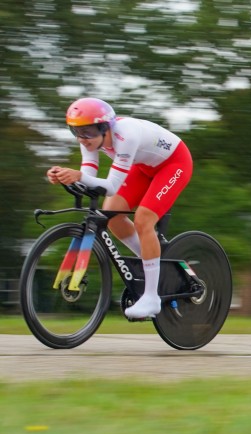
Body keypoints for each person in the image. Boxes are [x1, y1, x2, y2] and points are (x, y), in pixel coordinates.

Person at [46, 97, 193, 319]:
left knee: (144, 220)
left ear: (105, 127)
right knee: (112, 216)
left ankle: (152, 298)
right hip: (144, 167)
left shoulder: (126, 135)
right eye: (76, 131)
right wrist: (66, 177)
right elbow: (90, 175)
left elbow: (112, 186)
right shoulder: (90, 140)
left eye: (87, 132)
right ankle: (155, 264)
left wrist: (79, 176)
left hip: (174, 164)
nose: (82, 139)